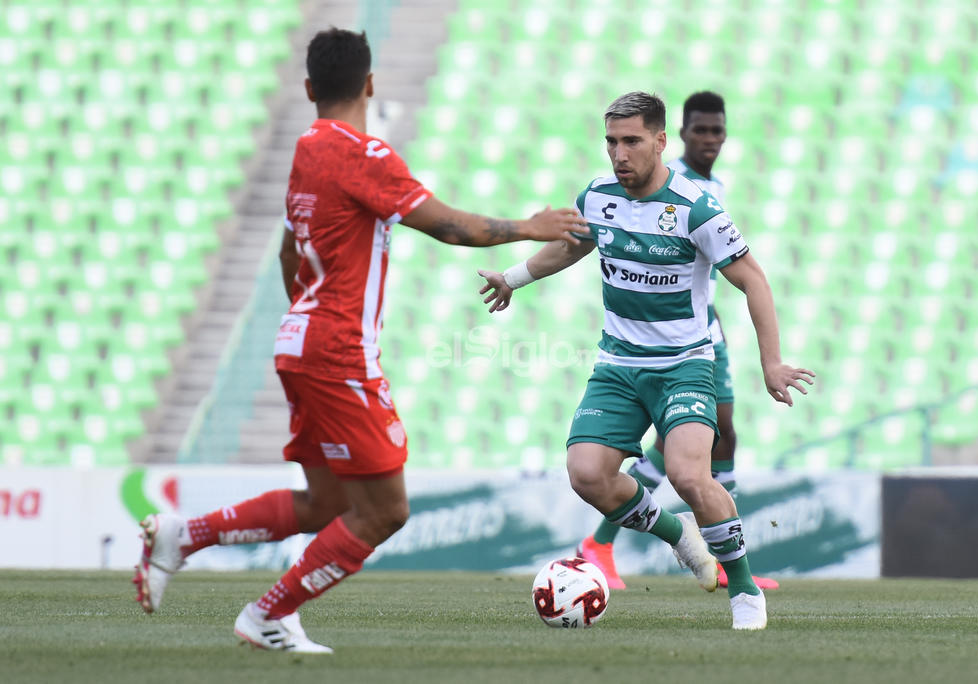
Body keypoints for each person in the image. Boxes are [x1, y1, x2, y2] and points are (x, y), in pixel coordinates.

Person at [132, 28, 587, 654]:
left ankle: (183, 537)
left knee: (325, 504)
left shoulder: (306, 151)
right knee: (384, 511)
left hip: (299, 341)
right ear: (370, 83)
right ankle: (268, 613)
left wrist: (308, 315)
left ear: (309, 89)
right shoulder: (363, 154)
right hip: (336, 350)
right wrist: (529, 227)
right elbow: (450, 227)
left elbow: (289, 251)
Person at [478, 92, 813, 630]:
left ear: (659, 142)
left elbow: (753, 279)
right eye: (611, 141)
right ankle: (679, 536)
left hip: (683, 366)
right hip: (617, 365)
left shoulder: (696, 207)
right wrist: (514, 277)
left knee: (688, 475)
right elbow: (572, 246)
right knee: (587, 474)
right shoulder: (597, 196)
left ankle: (745, 590)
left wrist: (770, 361)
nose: (619, 154)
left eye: (631, 141)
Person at [576, 91, 778, 592]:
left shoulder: (711, 186)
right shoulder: (667, 184)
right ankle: (608, 541)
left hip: (702, 331)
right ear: (677, 137)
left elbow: (719, 268)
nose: (710, 139)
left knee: (712, 436)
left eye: (717, 131)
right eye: (701, 131)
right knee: (688, 443)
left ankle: (721, 554)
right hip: (671, 340)